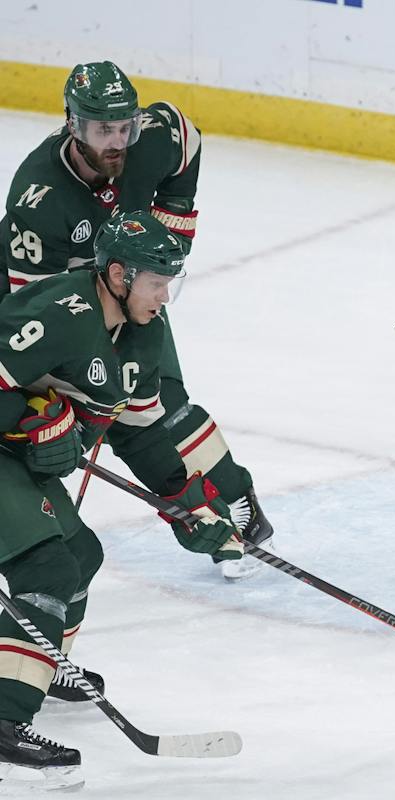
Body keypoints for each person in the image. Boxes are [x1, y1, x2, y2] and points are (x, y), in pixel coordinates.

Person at [1, 60, 273, 581]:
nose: (117, 141)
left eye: (124, 126)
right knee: (105, 408)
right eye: (103, 129)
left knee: (158, 402)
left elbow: (186, 138)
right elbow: (28, 317)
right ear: (73, 124)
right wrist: (48, 402)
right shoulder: (40, 196)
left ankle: (232, 502)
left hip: (127, 289)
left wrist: (168, 238)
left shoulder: (150, 137)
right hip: (53, 305)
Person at [0, 211, 241, 791]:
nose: (164, 296)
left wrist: (187, 505)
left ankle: (36, 663)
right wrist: (26, 423)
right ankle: (5, 718)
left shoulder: (142, 332)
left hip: (16, 461)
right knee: (46, 568)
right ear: (116, 274)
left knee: (80, 556)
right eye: (157, 282)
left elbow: (136, 429)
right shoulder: (58, 312)